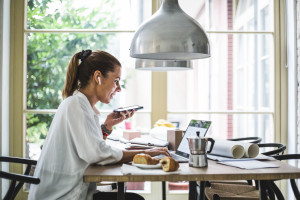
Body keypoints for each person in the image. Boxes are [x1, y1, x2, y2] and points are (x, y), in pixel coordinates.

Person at [28, 50, 170, 200]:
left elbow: (90, 148)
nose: (119, 88)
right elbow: (97, 154)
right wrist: (146, 153)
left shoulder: (80, 104)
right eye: (116, 81)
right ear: (98, 77)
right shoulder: (76, 105)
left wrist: (106, 127)